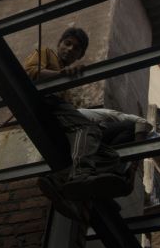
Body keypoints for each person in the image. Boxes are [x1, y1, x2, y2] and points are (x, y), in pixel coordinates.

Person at [24, 27, 138, 206]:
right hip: (47, 106)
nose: (69, 49)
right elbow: (30, 72)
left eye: (75, 48)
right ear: (59, 44)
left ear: (79, 55)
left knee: (111, 155)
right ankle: (79, 175)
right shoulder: (46, 53)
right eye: (67, 44)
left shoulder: (68, 89)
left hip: (62, 114)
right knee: (87, 128)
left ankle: (59, 179)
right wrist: (60, 75)